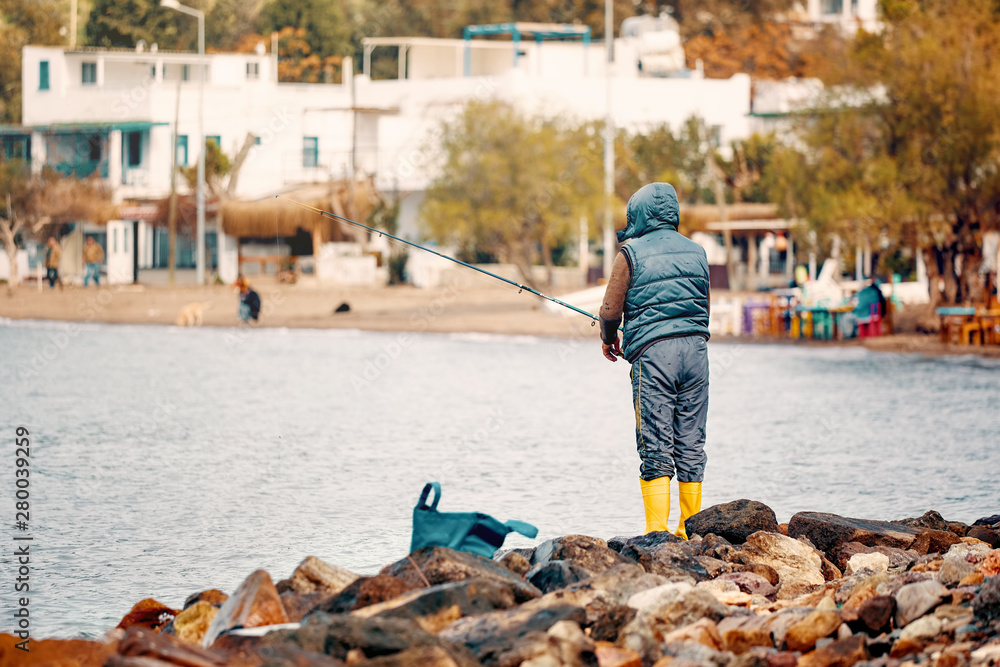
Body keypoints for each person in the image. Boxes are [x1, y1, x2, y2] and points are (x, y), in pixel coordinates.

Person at [599, 182, 711, 539]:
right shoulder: (698, 251)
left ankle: (656, 531)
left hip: (654, 357)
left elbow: (609, 310)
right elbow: (703, 305)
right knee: (691, 440)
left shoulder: (630, 253)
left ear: (639, 214)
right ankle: (690, 529)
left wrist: (608, 337)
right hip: (696, 355)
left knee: (655, 440)